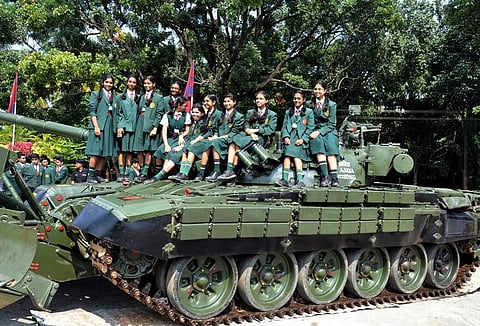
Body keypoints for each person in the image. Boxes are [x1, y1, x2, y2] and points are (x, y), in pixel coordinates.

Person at [217, 90, 278, 181]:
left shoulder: (272, 115)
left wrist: (256, 130)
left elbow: (270, 130)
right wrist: (250, 132)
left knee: (235, 144)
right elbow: (246, 125)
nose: (258, 100)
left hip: (261, 138)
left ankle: (230, 170)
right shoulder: (250, 112)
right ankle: (230, 171)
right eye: (257, 99)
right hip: (249, 136)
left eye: (261, 99)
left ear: (266, 101)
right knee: (234, 141)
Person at [170, 94, 221, 181]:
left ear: (214, 102)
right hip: (205, 137)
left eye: (207, 101)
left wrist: (214, 136)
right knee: (186, 148)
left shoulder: (218, 114)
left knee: (191, 148)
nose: (205, 103)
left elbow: (213, 129)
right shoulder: (207, 114)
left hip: (211, 138)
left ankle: (188, 173)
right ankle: (182, 173)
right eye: (204, 101)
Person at [275, 91, 314, 188]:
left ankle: (300, 181)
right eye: (295, 98)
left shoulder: (309, 112)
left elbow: (310, 128)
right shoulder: (288, 112)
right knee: (287, 156)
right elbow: (284, 127)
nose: (296, 100)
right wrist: (286, 137)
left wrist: (303, 139)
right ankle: (284, 179)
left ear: (303, 100)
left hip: (300, 139)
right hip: (290, 138)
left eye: (299, 98)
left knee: (297, 156)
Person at [146, 96, 191, 182]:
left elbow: (187, 130)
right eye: (184, 106)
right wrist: (166, 144)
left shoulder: (186, 115)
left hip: (181, 139)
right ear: (178, 105)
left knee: (172, 153)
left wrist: (182, 136)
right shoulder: (168, 115)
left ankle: (160, 175)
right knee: (160, 151)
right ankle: (159, 172)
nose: (185, 108)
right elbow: (164, 131)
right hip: (171, 138)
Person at [202, 93, 245, 182]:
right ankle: (216, 171)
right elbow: (216, 129)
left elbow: (234, 132)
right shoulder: (221, 115)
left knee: (215, 142)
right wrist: (216, 136)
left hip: (231, 138)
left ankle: (228, 170)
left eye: (229, 101)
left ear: (234, 102)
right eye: (225, 101)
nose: (226, 103)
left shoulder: (239, 116)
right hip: (221, 138)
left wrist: (218, 138)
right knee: (212, 142)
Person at [85, 74, 117, 184]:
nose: (109, 84)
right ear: (102, 82)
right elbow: (92, 111)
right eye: (107, 82)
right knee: (95, 152)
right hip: (99, 125)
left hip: (109, 126)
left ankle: (98, 174)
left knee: (105, 152)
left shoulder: (114, 97)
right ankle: (91, 175)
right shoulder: (95, 94)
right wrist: (96, 126)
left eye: (111, 83)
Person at [132, 75, 164, 183]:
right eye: (145, 83)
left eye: (149, 83)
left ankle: (145, 172)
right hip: (140, 124)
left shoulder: (158, 98)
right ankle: (141, 171)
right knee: (139, 149)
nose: (147, 85)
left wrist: (155, 127)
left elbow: (159, 114)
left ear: (153, 84)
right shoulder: (141, 97)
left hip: (150, 125)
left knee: (148, 149)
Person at [167, 103, 210, 182]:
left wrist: (183, 146)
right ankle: (182, 173)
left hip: (200, 144)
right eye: (193, 112)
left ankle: (185, 173)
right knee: (183, 150)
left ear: (202, 113)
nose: (194, 114)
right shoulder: (193, 123)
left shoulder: (202, 123)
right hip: (190, 143)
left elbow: (200, 136)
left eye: (197, 112)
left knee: (189, 149)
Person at [308, 80, 339, 186]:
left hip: (328, 130)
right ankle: (324, 176)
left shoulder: (331, 105)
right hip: (314, 130)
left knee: (331, 148)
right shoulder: (309, 104)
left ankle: (334, 178)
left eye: (320, 89)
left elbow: (331, 124)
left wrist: (320, 132)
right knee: (318, 145)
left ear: (325, 91)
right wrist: (315, 132)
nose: (317, 91)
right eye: (315, 89)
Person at [116, 74, 140, 182]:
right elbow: (119, 113)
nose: (132, 84)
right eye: (130, 81)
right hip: (124, 127)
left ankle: (127, 172)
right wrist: (120, 126)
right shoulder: (120, 97)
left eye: (134, 82)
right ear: (127, 82)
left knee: (130, 151)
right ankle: (121, 173)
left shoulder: (139, 97)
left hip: (134, 127)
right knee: (122, 151)